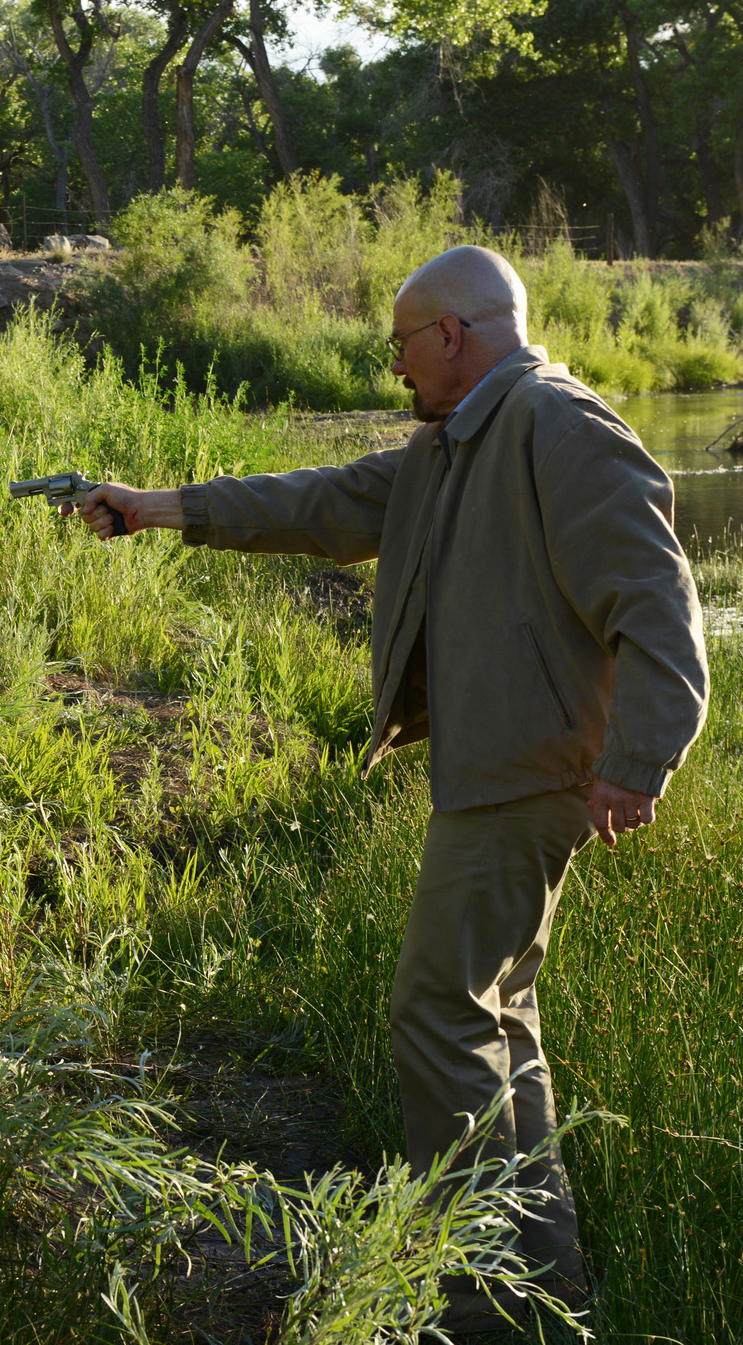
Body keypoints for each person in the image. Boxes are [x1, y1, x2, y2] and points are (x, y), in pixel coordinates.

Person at [76, 246, 708, 1331]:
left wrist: (636, 763)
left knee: (434, 1011)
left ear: (451, 336)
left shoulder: (557, 426)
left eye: (401, 344)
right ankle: (537, 1286)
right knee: (495, 1018)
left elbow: (658, 603)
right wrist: (155, 507)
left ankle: (470, 1304)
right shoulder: (448, 443)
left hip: (528, 775)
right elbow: (317, 500)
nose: (394, 365)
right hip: (494, 771)